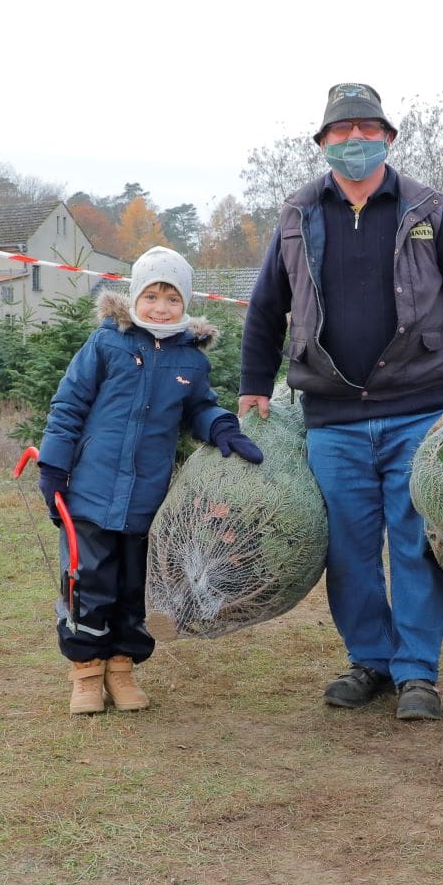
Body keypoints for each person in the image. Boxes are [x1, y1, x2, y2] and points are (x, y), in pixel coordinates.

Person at [239, 83, 443, 722]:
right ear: (322, 144)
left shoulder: (426, 210)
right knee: (349, 548)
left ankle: (417, 673)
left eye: (367, 129)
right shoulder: (297, 215)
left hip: (418, 408)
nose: (355, 141)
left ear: (389, 139)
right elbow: (265, 306)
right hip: (332, 418)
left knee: (416, 541)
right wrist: (255, 381)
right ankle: (369, 660)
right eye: (341, 132)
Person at [35, 247, 263, 715]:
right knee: (88, 582)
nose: (162, 307)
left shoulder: (191, 360)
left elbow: (199, 407)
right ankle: (86, 673)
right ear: (136, 297)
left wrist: (220, 425)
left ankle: (121, 670)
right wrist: (54, 468)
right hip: (91, 494)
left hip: (149, 500)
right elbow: (68, 407)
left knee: (135, 587)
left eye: (173, 298)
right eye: (153, 296)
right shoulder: (106, 344)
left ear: (186, 303)